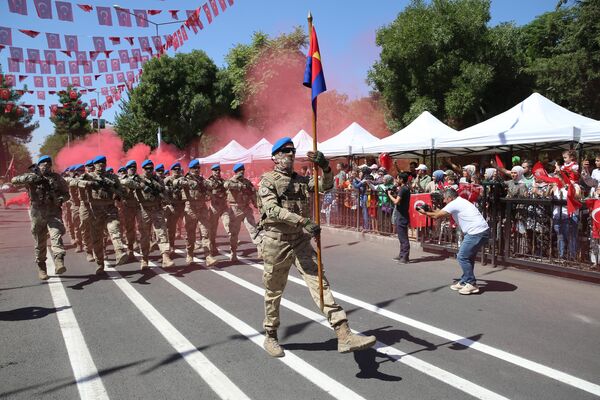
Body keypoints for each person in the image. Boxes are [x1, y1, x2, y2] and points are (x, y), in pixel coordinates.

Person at [257, 136, 376, 357]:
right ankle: (270, 335)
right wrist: (303, 221)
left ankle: (343, 334)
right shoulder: (267, 181)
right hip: (276, 241)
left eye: (292, 151)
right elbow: (272, 210)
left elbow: (326, 186)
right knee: (273, 291)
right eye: (285, 151)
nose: (290, 155)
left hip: (300, 240)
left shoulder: (301, 180)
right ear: (275, 157)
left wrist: (325, 167)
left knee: (320, 283)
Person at [417, 188, 490, 295]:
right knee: (468, 257)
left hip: (476, 233)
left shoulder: (454, 203)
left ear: (450, 198)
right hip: (481, 231)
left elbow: (437, 216)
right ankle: (465, 280)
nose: (444, 201)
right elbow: (442, 213)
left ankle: (471, 283)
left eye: (445, 199)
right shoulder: (459, 201)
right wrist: (430, 210)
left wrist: (425, 213)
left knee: (462, 256)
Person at [11, 156, 70, 280]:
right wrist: (32, 177)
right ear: (38, 166)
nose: (46, 166)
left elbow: (66, 194)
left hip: (53, 212)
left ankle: (59, 260)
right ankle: (42, 267)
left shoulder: (57, 178)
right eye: (43, 164)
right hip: (38, 213)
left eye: (48, 164)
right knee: (40, 242)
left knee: (56, 235)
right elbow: (14, 180)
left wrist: (60, 199)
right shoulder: (32, 177)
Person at [78, 155, 128, 274]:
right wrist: (89, 184)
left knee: (114, 228)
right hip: (95, 210)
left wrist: (116, 193)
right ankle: (100, 263)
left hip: (110, 208)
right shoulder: (88, 175)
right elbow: (76, 182)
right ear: (94, 165)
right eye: (98, 163)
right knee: (97, 238)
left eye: (103, 163)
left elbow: (122, 191)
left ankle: (119, 252)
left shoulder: (112, 177)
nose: (101, 165)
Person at [121, 159, 174, 269]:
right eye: (147, 169)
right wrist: (140, 185)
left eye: (151, 168)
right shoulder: (137, 178)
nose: (149, 170)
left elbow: (163, 191)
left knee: (162, 233)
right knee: (144, 236)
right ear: (143, 169)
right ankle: (144, 259)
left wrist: (168, 203)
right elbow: (124, 182)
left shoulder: (157, 179)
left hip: (157, 209)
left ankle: (165, 257)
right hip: (144, 210)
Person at [223, 163, 261, 261]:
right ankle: (233, 252)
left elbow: (253, 193)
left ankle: (260, 250)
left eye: (243, 170)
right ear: (236, 172)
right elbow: (226, 185)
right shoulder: (230, 181)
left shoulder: (247, 182)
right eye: (240, 170)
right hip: (234, 210)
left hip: (246, 209)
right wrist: (239, 185)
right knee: (233, 234)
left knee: (253, 230)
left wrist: (256, 204)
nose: (242, 172)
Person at [177, 159, 211, 265]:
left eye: (198, 168)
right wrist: (188, 182)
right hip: (190, 209)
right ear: (190, 169)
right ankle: (190, 254)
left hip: (202, 208)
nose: (197, 170)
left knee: (206, 233)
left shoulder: (202, 180)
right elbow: (176, 182)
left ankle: (208, 256)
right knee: (190, 234)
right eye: (194, 168)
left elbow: (210, 185)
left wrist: (209, 186)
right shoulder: (185, 179)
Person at [205, 164, 228, 265]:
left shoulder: (222, 181)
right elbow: (205, 191)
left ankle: (232, 238)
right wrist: (212, 195)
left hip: (223, 206)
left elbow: (227, 191)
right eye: (215, 170)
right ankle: (212, 246)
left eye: (218, 170)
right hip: (214, 207)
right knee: (212, 229)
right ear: (212, 171)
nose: (217, 172)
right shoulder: (208, 181)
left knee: (228, 222)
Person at [163, 162, 186, 255]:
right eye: (175, 169)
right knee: (171, 229)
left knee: (189, 226)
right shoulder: (167, 180)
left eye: (178, 169)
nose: (177, 171)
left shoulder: (184, 179)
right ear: (172, 170)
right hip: (173, 206)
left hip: (183, 206)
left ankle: (191, 246)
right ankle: (171, 246)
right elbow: (162, 192)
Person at [388, 173, 411, 263]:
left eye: (397, 179)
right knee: (401, 236)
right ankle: (402, 254)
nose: (396, 180)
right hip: (401, 214)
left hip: (402, 215)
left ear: (401, 179)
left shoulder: (403, 189)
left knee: (403, 237)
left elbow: (396, 201)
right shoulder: (405, 188)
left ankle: (405, 257)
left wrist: (389, 195)